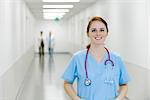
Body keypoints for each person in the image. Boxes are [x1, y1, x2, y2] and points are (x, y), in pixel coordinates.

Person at [62, 16, 130, 100]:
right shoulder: (77, 58)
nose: (98, 33)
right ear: (88, 33)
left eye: (102, 30)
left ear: (107, 33)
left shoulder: (116, 59)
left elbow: (124, 84)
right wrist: (76, 99)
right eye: (94, 30)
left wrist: (118, 99)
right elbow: (67, 83)